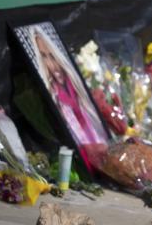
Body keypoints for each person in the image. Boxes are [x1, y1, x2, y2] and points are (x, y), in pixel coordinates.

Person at [32, 28, 109, 163]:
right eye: (44, 56)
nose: (52, 65)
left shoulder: (79, 89)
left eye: (52, 56)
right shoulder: (53, 98)